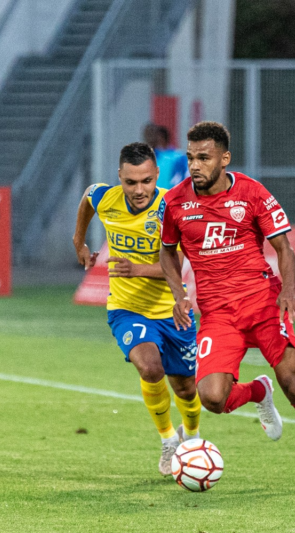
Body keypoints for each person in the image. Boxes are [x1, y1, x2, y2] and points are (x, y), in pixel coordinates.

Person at [159, 121, 295, 490]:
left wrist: (288, 291)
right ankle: (257, 392)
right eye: (190, 158)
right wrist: (179, 292)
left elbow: (284, 249)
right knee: (212, 398)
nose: (195, 165)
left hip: (262, 302)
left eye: (204, 158)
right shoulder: (175, 202)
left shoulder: (252, 193)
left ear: (224, 159)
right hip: (218, 314)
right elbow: (167, 253)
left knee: (293, 381)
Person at [73, 142, 202, 476]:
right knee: (149, 367)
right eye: (131, 182)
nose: (139, 189)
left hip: (173, 308)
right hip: (127, 308)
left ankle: (192, 435)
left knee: (186, 388)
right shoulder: (107, 197)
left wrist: (138, 269)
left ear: (157, 175)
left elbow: (178, 263)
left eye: (146, 181)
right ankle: (168, 440)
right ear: (120, 178)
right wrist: (79, 241)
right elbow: (88, 198)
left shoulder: (172, 207)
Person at [143, 123, 188, 189]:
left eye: (152, 135)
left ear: (161, 137)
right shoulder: (146, 158)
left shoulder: (179, 157)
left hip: (172, 196)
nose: (149, 139)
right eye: (147, 136)